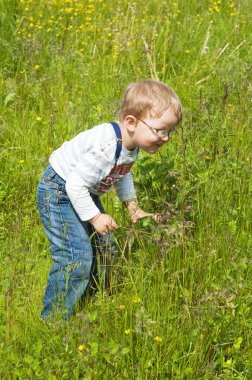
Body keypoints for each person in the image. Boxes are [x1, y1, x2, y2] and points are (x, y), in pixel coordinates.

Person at [37, 79, 182, 320]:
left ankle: (89, 301)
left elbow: (121, 173)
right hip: (59, 190)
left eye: (170, 131)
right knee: (76, 257)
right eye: (160, 130)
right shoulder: (107, 146)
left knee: (105, 249)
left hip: (82, 190)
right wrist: (95, 217)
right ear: (131, 122)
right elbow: (74, 184)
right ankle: (53, 320)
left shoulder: (131, 145)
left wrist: (133, 209)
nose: (165, 137)